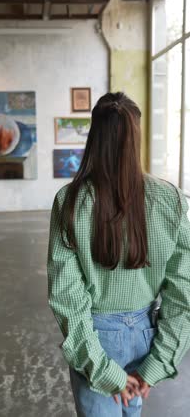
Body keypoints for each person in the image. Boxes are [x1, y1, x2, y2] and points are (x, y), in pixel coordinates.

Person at [46, 92, 190, 416]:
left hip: (94, 340)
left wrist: (103, 371)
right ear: (136, 137)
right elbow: (184, 294)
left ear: (94, 137)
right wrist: (156, 364)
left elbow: (67, 298)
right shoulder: (172, 201)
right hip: (146, 334)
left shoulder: (69, 203)